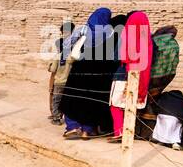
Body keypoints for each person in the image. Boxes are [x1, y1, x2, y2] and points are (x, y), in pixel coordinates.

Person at [61, 7, 119, 139]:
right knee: (90, 99)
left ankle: (73, 126)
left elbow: (66, 44)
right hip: (99, 71)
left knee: (72, 96)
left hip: (81, 68)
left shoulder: (83, 29)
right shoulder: (110, 31)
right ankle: (87, 130)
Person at [109, 11, 151, 141]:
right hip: (141, 75)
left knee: (115, 104)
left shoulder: (125, 36)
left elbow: (116, 57)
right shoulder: (149, 40)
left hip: (122, 73)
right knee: (131, 104)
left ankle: (119, 131)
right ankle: (129, 132)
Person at [49, 20, 80, 124]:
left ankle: (56, 117)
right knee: (61, 99)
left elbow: (53, 70)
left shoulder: (61, 52)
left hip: (60, 79)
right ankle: (58, 115)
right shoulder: (72, 50)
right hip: (66, 79)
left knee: (57, 99)